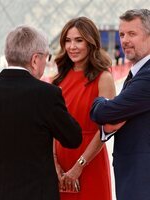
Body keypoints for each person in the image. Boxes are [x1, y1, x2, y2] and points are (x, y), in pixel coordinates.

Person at [0, 25, 82, 200]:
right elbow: (73, 138)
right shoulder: (47, 94)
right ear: (35, 59)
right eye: (46, 57)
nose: (46, 62)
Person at [52, 17, 116, 200]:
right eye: (68, 40)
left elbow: (106, 127)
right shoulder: (59, 79)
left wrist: (80, 165)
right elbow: (51, 125)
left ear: (91, 42)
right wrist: (54, 162)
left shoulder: (104, 78)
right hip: (61, 164)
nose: (72, 46)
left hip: (91, 161)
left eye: (79, 40)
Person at [90, 9, 150, 200]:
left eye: (132, 34)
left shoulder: (147, 76)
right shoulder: (137, 72)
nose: (124, 40)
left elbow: (104, 114)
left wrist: (101, 101)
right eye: (122, 34)